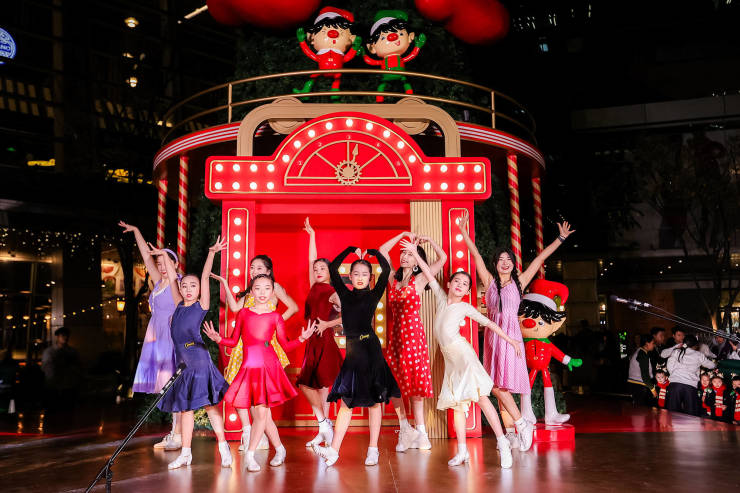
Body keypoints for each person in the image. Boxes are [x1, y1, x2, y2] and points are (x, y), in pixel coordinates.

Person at [456, 211, 574, 451]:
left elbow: (539, 259)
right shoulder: (489, 282)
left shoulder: (519, 283)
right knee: (496, 387)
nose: (505, 262)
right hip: (493, 339)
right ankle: (511, 433)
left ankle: (521, 424)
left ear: (512, 263)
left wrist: (560, 239)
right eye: (500, 259)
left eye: (508, 258)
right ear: (495, 264)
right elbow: (475, 255)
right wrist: (463, 232)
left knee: (501, 387)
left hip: (511, 339)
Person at [409, 241, 521, 467]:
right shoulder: (441, 298)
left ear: (468, 291)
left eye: (465, 284)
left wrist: (510, 340)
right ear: (449, 284)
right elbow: (429, 274)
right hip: (451, 360)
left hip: (464, 356)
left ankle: (503, 443)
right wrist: (415, 253)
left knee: (481, 398)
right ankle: (462, 452)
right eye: (457, 281)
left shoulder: (466, 307)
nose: (460, 285)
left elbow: (490, 323)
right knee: (458, 406)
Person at [203, 275, 316, 472]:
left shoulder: (275, 317)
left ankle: (250, 455)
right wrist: (218, 338)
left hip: (268, 368)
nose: (262, 292)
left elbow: (285, 345)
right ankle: (280, 449)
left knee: (261, 414)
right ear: (251, 292)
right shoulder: (244, 313)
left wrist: (302, 338)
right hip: (248, 368)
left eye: (267, 288)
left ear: (272, 292)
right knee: (264, 417)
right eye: (258, 288)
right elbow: (234, 341)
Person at [312, 246, 401, 467]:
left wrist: (374, 253)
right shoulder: (344, 294)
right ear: (350, 277)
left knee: (374, 402)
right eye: (356, 274)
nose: (360, 277)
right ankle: (333, 451)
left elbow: (386, 269)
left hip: (371, 351)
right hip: (353, 353)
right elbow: (334, 267)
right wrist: (350, 250)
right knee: (346, 402)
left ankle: (373, 450)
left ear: (370, 278)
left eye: (365, 274)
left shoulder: (374, 294)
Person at [150, 238, 231, 470]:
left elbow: (205, 276)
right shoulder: (178, 305)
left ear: (199, 290)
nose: (187, 289)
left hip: (198, 360)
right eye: (184, 285)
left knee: (209, 405)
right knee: (186, 408)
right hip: (182, 363)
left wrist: (212, 253)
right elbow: (172, 273)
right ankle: (186, 453)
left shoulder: (200, 306)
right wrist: (162, 254)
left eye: (192, 286)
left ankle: (223, 446)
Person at [212, 254, 299, 451]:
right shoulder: (251, 290)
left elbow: (293, 307)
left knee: (260, 395)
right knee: (240, 390)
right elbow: (235, 308)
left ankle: (262, 439)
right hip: (244, 346)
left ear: (268, 271)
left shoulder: (273, 287)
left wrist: (273, 324)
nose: (253, 271)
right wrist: (225, 283)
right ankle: (248, 431)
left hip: (263, 347)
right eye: (252, 267)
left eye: (259, 268)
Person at [378, 231, 447, 451]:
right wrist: (403, 235)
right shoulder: (393, 278)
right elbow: (382, 250)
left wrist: (424, 245)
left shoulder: (419, 279)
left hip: (413, 337)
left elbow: (443, 259)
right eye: (403, 253)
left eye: (409, 254)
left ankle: (422, 434)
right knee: (394, 385)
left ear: (416, 260)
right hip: (396, 338)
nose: (404, 257)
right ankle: (405, 429)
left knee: (416, 388)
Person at [118, 221, 180, 450]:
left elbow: (179, 305)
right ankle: (174, 433)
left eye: (166, 262)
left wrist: (162, 254)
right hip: (156, 336)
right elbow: (146, 257)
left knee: (172, 384)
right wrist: (137, 231)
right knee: (165, 386)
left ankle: (177, 435)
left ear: (175, 264)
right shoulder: (159, 282)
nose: (161, 267)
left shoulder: (177, 282)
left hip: (170, 336)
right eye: (159, 263)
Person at [297, 218, 344, 449]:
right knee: (310, 386)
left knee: (324, 388)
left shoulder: (333, 291)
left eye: (322, 269)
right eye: (315, 269)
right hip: (311, 342)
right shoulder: (313, 286)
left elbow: (350, 316)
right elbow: (310, 260)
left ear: (330, 272)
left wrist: (329, 324)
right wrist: (312, 236)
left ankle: (325, 430)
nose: (317, 271)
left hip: (324, 341)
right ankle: (324, 427)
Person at [664, 334, 716, 415]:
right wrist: (715, 364)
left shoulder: (676, 352)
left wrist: (675, 375)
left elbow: (669, 365)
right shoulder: (698, 355)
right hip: (690, 386)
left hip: (675, 385)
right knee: (691, 414)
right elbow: (711, 365)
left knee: (672, 413)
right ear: (695, 345)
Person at [41, 326, 81, 409]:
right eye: (63, 335)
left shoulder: (72, 352)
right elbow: (46, 368)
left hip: (68, 385)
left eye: (67, 336)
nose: (65, 338)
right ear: (58, 337)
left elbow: (78, 366)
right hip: (53, 386)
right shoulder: (49, 352)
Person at [627, 334, 656, 407]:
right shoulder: (642, 354)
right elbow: (645, 375)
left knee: (638, 409)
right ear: (647, 343)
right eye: (653, 343)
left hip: (635, 384)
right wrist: (653, 390)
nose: (654, 345)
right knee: (640, 410)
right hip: (638, 385)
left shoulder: (640, 351)